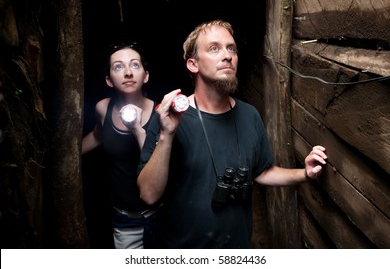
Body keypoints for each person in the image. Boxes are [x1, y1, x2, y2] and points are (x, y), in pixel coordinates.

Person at [137, 20, 328, 249]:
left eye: (232, 48)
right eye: (214, 48)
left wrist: (304, 174)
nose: (227, 55)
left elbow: (262, 172)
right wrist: (167, 135)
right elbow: (148, 195)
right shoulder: (169, 117)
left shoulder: (250, 116)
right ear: (193, 64)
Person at [82, 42, 159, 249]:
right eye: (118, 67)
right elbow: (98, 136)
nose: (127, 72)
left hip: (162, 215)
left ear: (146, 75)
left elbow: (157, 164)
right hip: (125, 218)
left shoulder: (162, 114)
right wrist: (57, 157)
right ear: (109, 80)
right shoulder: (103, 108)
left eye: (135, 65)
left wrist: (136, 129)